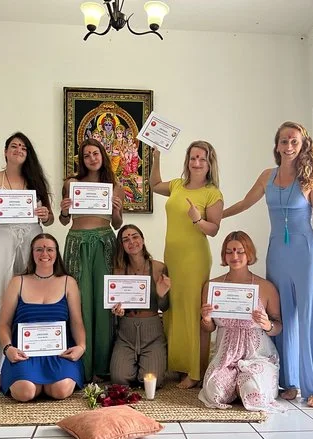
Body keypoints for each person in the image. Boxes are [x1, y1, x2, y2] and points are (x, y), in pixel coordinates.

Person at [222, 121, 313, 408]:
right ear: (277, 145)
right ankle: (289, 382)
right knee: (283, 315)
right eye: (284, 141)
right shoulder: (267, 176)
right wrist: (216, 217)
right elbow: (245, 203)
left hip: (305, 252)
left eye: (294, 141)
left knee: (308, 317)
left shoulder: (311, 178)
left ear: (303, 144)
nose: (289, 146)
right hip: (278, 253)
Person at [0, 132, 53, 387]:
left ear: (28, 153)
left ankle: (36, 356)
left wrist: (46, 214)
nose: (18, 150)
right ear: (5, 151)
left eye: (23, 147)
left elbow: (49, 219)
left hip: (31, 239)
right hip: (1, 240)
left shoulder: (35, 180)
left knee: (33, 294)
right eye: (14, 146)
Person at [150, 141, 223, 388]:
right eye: (193, 158)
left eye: (202, 158)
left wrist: (197, 220)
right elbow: (154, 185)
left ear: (209, 163)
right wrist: (157, 157)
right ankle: (178, 364)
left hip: (194, 259)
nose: (197, 162)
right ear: (187, 161)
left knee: (192, 312)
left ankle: (195, 371)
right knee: (174, 310)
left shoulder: (212, 193)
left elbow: (213, 229)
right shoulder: (177, 185)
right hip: (173, 257)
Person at [59, 138, 124, 381]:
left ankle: (103, 366)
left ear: (102, 155)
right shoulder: (71, 183)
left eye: (95, 153)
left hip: (104, 241)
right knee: (80, 300)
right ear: (82, 159)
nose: (92, 158)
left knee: (104, 300)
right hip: (77, 242)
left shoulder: (114, 186)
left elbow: (117, 223)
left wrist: (116, 210)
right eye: (86, 155)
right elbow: (63, 220)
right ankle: (81, 366)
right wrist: (64, 209)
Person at [198, 231, 284, 412]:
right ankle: (235, 386)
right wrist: (206, 319)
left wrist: (267, 324)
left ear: (249, 253)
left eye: (240, 251)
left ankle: (243, 386)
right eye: (229, 251)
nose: (234, 256)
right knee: (214, 393)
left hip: (257, 355)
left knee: (254, 392)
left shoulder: (266, 287)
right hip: (225, 355)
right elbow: (208, 328)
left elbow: (278, 326)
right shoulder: (212, 286)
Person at [0, 233, 85, 401]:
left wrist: (81, 346)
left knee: (61, 391)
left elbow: (77, 322)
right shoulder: (18, 282)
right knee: (25, 392)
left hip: (60, 352)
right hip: (24, 353)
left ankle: (44, 382)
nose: (44, 254)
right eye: (39, 249)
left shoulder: (69, 282)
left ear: (56, 253)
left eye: (50, 249)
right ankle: (17, 378)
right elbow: (4, 324)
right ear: (32, 253)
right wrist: (8, 349)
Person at [109, 225, 171, 387]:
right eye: (126, 239)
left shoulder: (158, 267)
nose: (131, 242)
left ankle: (145, 364)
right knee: (119, 379)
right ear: (122, 245)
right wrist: (117, 311)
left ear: (142, 240)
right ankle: (132, 364)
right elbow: (113, 306)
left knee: (152, 381)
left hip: (152, 332)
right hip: (126, 333)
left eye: (135, 237)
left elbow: (165, 307)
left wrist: (162, 295)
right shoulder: (117, 271)